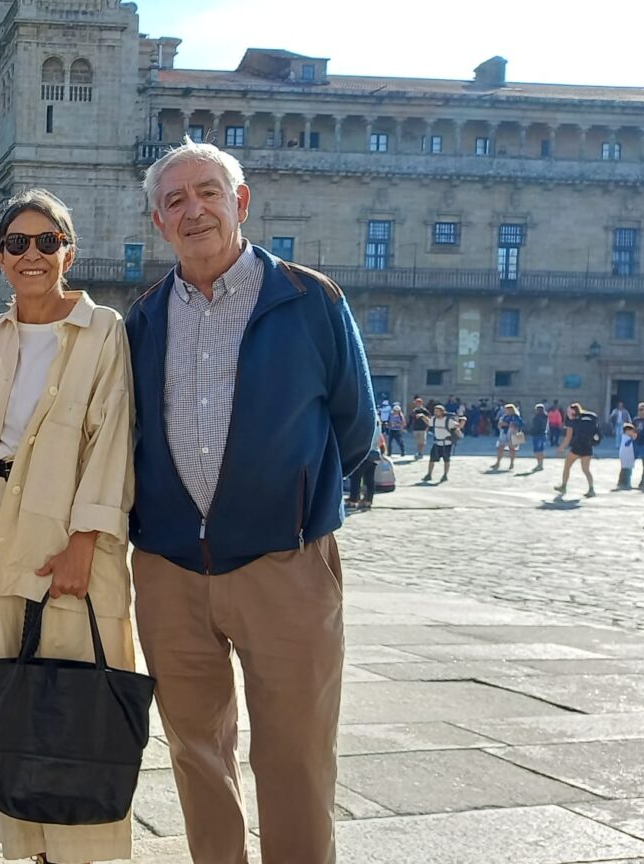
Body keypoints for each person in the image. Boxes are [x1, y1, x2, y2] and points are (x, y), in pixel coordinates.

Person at [127, 139, 375, 864]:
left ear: (240, 202)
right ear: (158, 222)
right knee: (195, 753)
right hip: (171, 570)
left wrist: (294, 509)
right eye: (174, 200)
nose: (192, 209)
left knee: (295, 754)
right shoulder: (143, 319)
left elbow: (355, 425)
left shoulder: (309, 300)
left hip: (285, 565)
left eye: (207, 192)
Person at [0, 189, 135, 863]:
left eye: (45, 242)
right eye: (16, 243)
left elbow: (113, 436)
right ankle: (26, 850)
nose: (31, 255)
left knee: (77, 703)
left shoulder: (105, 331)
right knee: (7, 700)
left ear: (69, 251)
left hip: (67, 537)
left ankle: (79, 854)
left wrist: (85, 544)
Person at [555, 402, 599, 498]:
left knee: (567, 466)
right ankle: (591, 489)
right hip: (587, 447)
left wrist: (561, 448)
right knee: (586, 469)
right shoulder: (587, 420)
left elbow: (568, 437)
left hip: (577, 448)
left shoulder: (572, 422)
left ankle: (564, 486)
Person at [423, 405, 462, 483]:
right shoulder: (433, 419)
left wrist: (462, 421)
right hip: (437, 443)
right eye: (435, 411)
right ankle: (429, 474)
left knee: (446, 460)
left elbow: (457, 426)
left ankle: (445, 475)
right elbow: (429, 423)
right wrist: (423, 417)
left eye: (437, 411)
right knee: (432, 459)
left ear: (442, 412)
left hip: (446, 443)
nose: (436, 413)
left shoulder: (448, 420)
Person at [492, 403, 523, 471]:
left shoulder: (516, 417)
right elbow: (499, 425)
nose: (505, 411)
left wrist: (507, 424)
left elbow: (518, 424)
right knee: (500, 448)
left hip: (513, 433)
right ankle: (498, 462)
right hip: (504, 433)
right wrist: (501, 424)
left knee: (512, 449)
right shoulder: (504, 416)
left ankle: (512, 463)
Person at [527, 403, 550, 472]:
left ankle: (539, 464)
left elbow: (536, 427)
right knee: (541, 450)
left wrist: (531, 432)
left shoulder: (537, 417)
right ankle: (541, 464)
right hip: (543, 434)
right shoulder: (545, 416)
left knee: (537, 450)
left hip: (537, 435)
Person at [617, 422, 637, 490]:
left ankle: (621, 483)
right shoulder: (626, 437)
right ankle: (627, 483)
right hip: (626, 456)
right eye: (632, 431)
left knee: (624, 469)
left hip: (627, 455)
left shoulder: (626, 437)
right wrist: (632, 439)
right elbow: (627, 444)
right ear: (627, 431)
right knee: (628, 470)